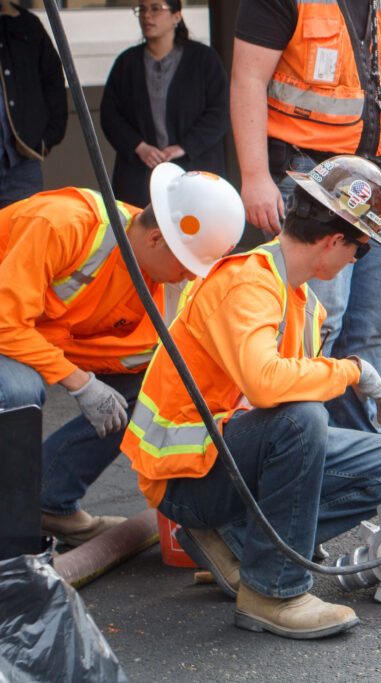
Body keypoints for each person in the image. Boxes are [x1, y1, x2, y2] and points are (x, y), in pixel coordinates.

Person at [121, 155, 381, 639]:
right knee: (303, 420)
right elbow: (267, 386)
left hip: (226, 457)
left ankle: (245, 543)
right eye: (360, 249)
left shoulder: (299, 299)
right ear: (333, 242)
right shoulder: (249, 282)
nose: (355, 259)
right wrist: (350, 371)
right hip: (185, 477)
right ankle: (273, 590)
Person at [0, 163, 244, 545]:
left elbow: (151, 358)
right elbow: (5, 324)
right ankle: (9, 525)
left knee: (145, 388)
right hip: (6, 329)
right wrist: (80, 383)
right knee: (18, 391)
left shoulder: (151, 276)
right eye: (186, 263)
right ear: (157, 239)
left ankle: (47, 502)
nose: (190, 276)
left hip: (36, 334)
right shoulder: (63, 224)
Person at [231, 0, 381, 432]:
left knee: (373, 326)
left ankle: (359, 449)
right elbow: (247, 77)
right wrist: (254, 175)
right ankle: (303, 446)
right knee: (320, 324)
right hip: (313, 178)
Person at [100, 1, 229, 209]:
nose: (146, 16)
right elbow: (110, 115)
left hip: (195, 172)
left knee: (195, 233)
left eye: (155, 9)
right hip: (139, 175)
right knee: (139, 234)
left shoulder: (204, 60)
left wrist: (184, 147)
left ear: (176, 16)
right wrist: (139, 147)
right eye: (142, 10)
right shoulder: (127, 63)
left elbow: (220, 113)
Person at [0, 0, 68, 208]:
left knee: (25, 233)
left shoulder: (27, 24)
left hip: (20, 162)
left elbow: (54, 80)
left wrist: (46, 139)